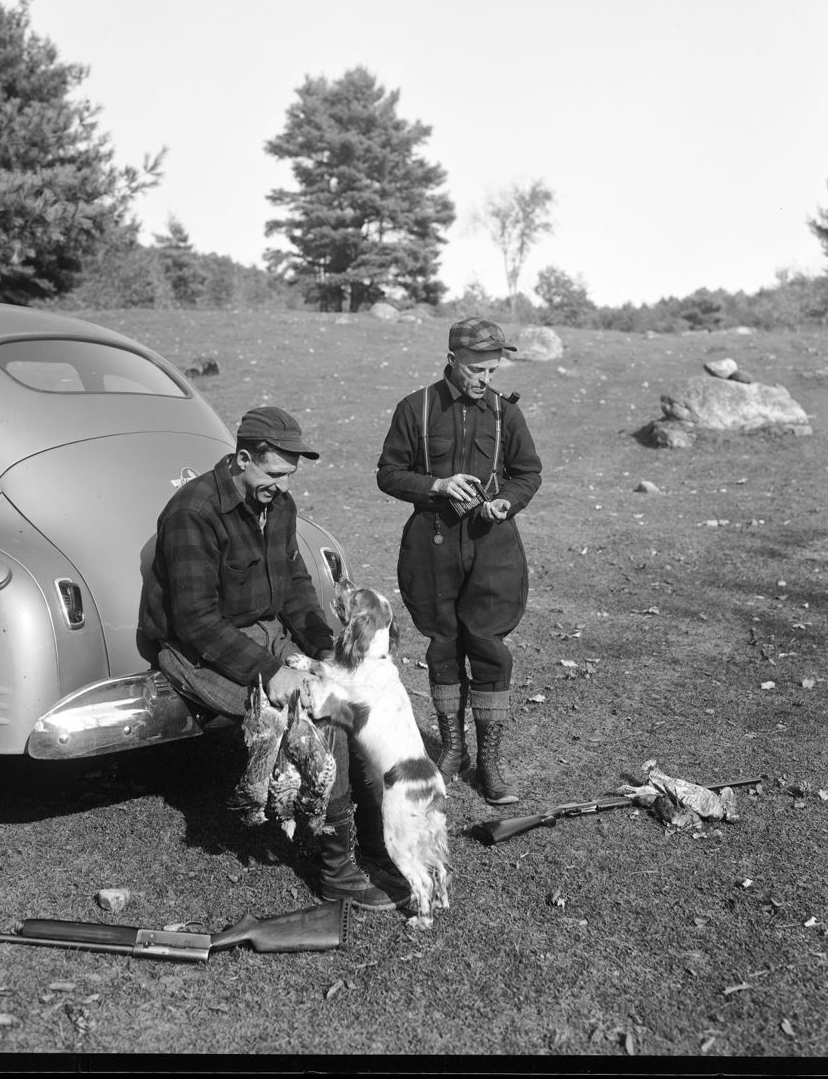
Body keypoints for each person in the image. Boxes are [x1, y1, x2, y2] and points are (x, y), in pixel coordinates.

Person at [142, 404, 409, 910]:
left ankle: (376, 844)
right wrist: (272, 673)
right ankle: (336, 869)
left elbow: (296, 588)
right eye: (274, 474)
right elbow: (195, 622)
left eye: (290, 476)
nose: (283, 487)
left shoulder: (278, 506)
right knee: (317, 712)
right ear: (243, 458)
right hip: (197, 651)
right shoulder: (193, 512)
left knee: (347, 695)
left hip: (265, 633)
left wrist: (324, 648)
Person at [376, 318, 542, 805]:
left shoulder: (506, 414)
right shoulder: (416, 408)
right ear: (452, 361)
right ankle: (453, 750)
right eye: (476, 369)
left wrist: (506, 501)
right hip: (433, 544)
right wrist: (438, 485)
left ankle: (490, 762)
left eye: (492, 370)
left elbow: (527, 473)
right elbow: (388, 473)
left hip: (494, 545)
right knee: (444, 644)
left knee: (488, 646)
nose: (484, 379)